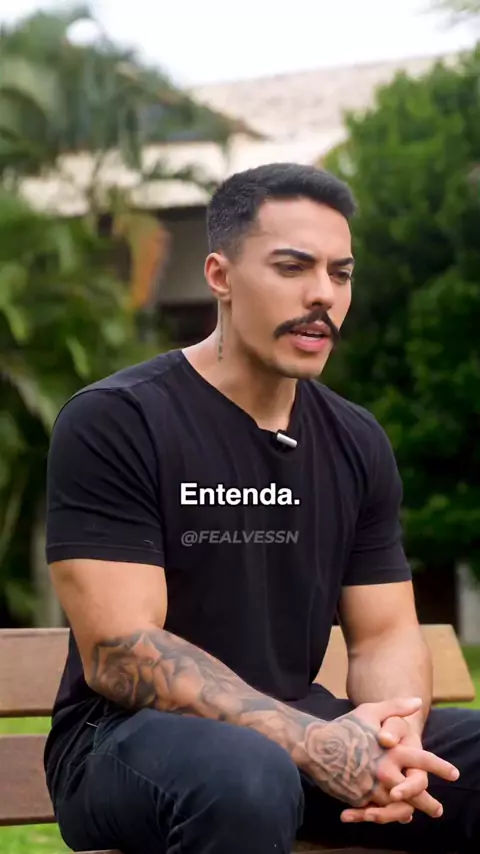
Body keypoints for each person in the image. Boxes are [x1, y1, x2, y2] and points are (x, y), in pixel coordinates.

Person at [44, 163, 478, 854]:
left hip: (302, 733)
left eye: (340, 273)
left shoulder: (356, 438)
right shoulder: (117, 420)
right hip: (123, 741)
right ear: (219, 275)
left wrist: (393, 738)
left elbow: (385, 635)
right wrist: (311, 743)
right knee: (247, 774)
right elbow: (120, 652)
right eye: (292, 267)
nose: (323, 294)